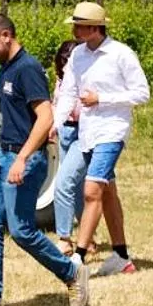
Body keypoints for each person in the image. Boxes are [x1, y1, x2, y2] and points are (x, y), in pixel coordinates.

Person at [0, 13, 91, 306]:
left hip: (25, 158)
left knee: (21, 232)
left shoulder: (27, 69)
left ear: (6, 35)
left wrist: (21, 158)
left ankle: (71, 273)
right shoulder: (5, 68)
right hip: (0, 157)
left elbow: (45, 117)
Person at [55, 1, 149, 278]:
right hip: (87, 132)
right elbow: (69, 92)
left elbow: (142, 93)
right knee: (107, 193)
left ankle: (79, 258)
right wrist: (55, 123)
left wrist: (102, 99)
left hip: (112, 131)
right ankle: (121, 256)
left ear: (95, 27)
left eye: (79, 25)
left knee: (91, 192)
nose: (74, 29)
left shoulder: (121, 54)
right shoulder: (78, 56)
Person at [49, 38, 89, 254]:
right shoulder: (60, 79)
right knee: (78, 187)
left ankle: (64, 237)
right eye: (63, 58)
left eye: (69, 59)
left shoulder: (86, 78)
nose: (65, 63)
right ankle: (87, 235)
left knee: (64, 183)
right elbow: (57, 104)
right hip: (65, 132)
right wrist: (53, 126)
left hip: (84, 131)